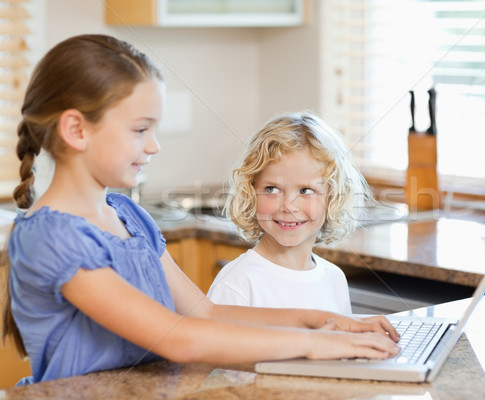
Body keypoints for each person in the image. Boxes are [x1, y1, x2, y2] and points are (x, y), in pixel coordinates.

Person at [0, 34, 399, 385]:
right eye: (141, 129)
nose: (154, 145)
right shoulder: (48, 236)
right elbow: (178, 337)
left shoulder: (127, 215)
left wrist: (322, 322)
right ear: (76, 130)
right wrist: (314, 345)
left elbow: (205, 313)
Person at [207, 111, 369, 314]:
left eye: (306, 191)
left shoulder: (334, 279)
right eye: (272, 189)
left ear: (333, 197)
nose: (288, 206)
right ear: (251, 192)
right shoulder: (237, 283)